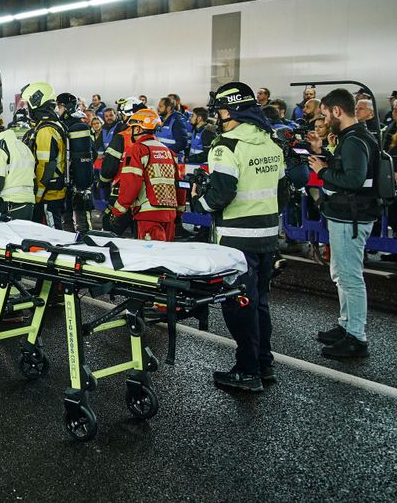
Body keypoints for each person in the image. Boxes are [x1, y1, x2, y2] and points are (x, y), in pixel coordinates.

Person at [190, 82, 286, 391]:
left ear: (228, 111)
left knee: (239, 306)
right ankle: (264, 364)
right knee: (259, 304)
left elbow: (220, 196)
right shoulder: (272, 143)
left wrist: (197, 201)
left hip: (236, 242)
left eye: (219, 110)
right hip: (268, 238)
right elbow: (282, 194)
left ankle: (247, 371)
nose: (217, 116)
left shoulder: (225, 146)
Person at [309, 88, 379, 359]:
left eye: (326, 114)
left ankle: (356, 337)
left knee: (350, 277)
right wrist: (322, 151)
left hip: (352, 217)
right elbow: (349, 170)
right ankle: (346, 326)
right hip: (348, 215)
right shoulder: (354, 137)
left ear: (337, 111)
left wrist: (322, 171)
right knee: (341, 274)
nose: (325, 119)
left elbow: (353, 180)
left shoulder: (354, 140)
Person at [109, 109, 178, 240]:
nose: (131, 132)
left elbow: (130, 185)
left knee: (149, 258)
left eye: (133, 128)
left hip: (148, 215)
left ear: (139, 129)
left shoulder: (137, 150)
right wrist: (179, 211)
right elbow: (179, 185)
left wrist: (117, 211)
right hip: (170, 215)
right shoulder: (168, 151)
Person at [20, 82, 68, 229]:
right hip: (52, 192)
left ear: (36, 102)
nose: (27, 108)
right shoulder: (53, 124)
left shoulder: (46, 130)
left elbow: (46, 166)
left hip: (49, 195)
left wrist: (37, 196)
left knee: (53, 237)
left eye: (28, 104)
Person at [57, 93, 95, 232]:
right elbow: (93, 151)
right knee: (83, 218)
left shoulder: (62, 126)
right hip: (82, 178)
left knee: (66, 218)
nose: (58, 110)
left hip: (67, 177)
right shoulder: (82, 124)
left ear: (65, 107)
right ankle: (87, 240)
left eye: (59, 106)